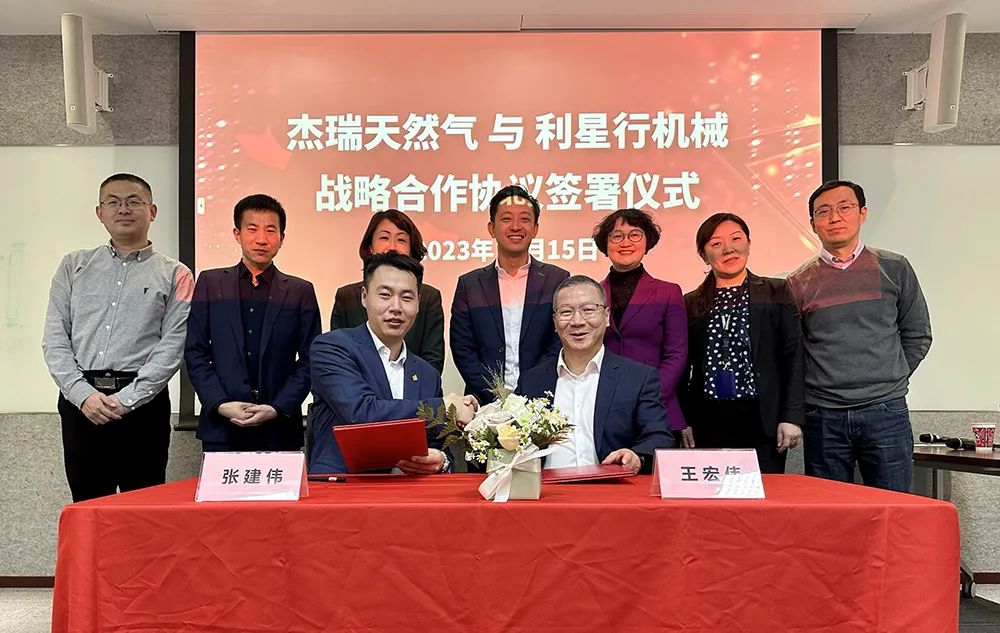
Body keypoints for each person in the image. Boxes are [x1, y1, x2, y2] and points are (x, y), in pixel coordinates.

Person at [42, 173, 194, 502]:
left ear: (152, 211)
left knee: (142, 510)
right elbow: (55, 338)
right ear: (100, 212)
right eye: (113, 202)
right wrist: (82, 395)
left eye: (133, 201)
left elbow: (173, 345)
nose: (123, 209)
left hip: (143, 408)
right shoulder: (73, 266)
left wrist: (127, 400)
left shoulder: (176, 274)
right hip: (81, 406)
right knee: (89, 507)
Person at [787, 181, 931, 492]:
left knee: (893, 505)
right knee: (829, 509)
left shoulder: (894, 267)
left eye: (844, 207)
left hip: (885, 410)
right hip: (823, 414)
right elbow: (795, 351)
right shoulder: (798, 282)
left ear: (862, 213)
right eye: (823, 212)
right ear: (813, 223)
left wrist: (888, 375)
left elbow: (918, 333)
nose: (834, 217)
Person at [309, 252, 476, 474]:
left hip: (410, 491)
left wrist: (442, 460)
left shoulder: (427, 374)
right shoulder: (332, 348)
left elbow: (438, 445)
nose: (396, 307)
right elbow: (362, 413)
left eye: (406, 297)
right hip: (343, 485)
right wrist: (446, 408)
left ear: (418, 303)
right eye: (385, 295)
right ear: (364, 297)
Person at [184, 194, 321, 452]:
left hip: (279, 427)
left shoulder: (300, 291)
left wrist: (277, 407)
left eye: (271, 230)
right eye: (252, 229)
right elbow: (195, 351)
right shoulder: (211, 283)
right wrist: (220, 403)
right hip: (222, 425)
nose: (261, 239)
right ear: (237, 234)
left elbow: (310, 359)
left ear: (282, 238)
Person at [677, 213, 804, 473]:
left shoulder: (776, 291)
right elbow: (681, 365)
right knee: (713, 492)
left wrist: (791, 417)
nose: (729, 249)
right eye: (716, 243)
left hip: (763, 418)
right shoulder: (690, 302)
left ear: (748, 243)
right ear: (704, 255)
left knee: (765, 493)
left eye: (736, 239)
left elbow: (793, 356)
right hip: (707, 420)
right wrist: (682, 420)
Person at [517, 275, 674, 474]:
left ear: (606, 316)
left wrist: (636, 455)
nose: (577, 321)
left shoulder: (638, 378)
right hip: (545, 488)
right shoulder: (531, 381)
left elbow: (659, 436)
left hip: (610, 488)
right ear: (555, 322)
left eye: (588, 310)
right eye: (566, 312)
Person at [451, 185, 569, 406]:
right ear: (491, 228)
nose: (516, 226)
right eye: (506, 219)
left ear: (535, 228)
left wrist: (530, 391)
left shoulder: (557, 280)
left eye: (524, 219)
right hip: (484, 405)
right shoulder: (470, 284)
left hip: (544, 402)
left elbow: (559, 343)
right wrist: (497, 396)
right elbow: (463, 348)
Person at [592, 208, 689, 441]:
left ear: (647, 243)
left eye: (635, 235)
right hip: (603, 408)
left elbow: (676, 354)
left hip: (657, 407)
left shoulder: (668, 292)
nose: (625, 242)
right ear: (606, 245)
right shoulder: (592, 294)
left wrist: (648, 396)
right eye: (616, 236)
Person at [330, 209, 445, 373]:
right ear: (370, 247)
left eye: (401, 240)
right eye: (384, 238)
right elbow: (339, 357)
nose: (392, 247)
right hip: (356, 386)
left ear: (411, 250)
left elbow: (432, 360)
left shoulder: (429, 297)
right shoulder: (346, 296)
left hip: (413, 386)